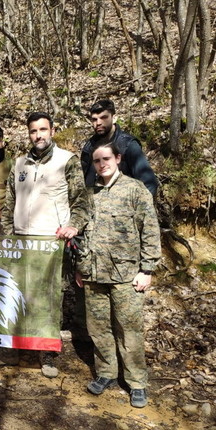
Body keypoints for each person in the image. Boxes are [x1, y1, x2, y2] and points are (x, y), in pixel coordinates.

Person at [0, 111, 91, 377]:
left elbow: (81, 202)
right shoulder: (20, 164)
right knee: (12, 295)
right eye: (33, 131)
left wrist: (73, 226)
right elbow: (10, 206)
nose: (38, 135)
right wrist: (8, 235)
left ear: (52, 131)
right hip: (20, 241)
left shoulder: (68, 161)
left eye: (43, 130)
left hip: (50, 243)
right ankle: (9, 351)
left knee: (49, 300)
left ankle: (47, 354)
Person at [75, 142, 161, 408]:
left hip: (126, 274)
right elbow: (81, 234)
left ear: (118, 158)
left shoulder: (135, 190)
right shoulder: (89, 194)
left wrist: (147, 269)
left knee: (129, 330)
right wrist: (80, 267)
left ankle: (136, 382)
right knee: (99, 329)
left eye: (106, 158)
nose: (102, 164)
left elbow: (149, 229)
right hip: (94, 273)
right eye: (97, 161)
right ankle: (106, 373)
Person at [80, 99, 159, 195]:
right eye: (94, 119)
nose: (98, 123)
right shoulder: (89, 147)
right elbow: (85, 182)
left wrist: (137, 207)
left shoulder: (128, 145)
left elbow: (149, 183)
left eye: (103, 117)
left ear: (114, 118)